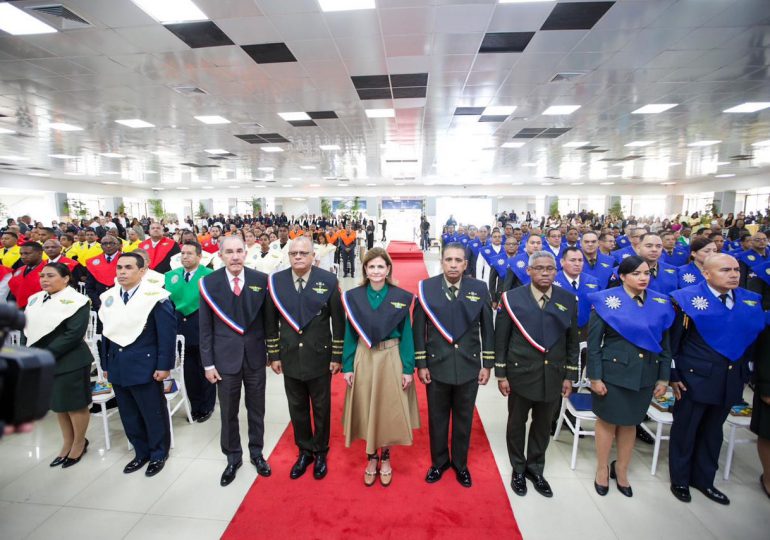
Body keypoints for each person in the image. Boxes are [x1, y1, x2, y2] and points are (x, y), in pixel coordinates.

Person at [668, 254, 766, 505]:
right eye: (725, 270)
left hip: (729, 377)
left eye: (735, 269)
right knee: (686, 429)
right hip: (694, 378)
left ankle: (704, 479)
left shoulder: (750, 300)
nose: (734, 274)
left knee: (713, 432)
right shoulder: (686, 300)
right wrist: (673, 375)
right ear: (706, 273)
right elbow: (672, 343)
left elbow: (753, 343)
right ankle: (680, 478)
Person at [587, 256, 675, 497]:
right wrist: (595, 377)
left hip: (646, 373)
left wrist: (663, 378)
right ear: (623, 277)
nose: (643, 277)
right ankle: (602, 468)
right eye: (637, 273)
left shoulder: (660, 302)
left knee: (630, 423)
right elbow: (594, 345)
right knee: (607, 421)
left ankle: (622, 469)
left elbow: (664, 345)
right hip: (613, 372)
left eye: (646, 273)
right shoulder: (606, 301)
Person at [495, 250, 578, 498]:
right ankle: (518, 468)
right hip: (521, 373)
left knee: (543, 426)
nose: (545, 272)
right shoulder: (511, 298)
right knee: (516, 423)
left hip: (553, 373)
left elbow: (572, 342)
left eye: (550, 268)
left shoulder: (568, 299)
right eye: (539, 268)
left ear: (556, 271)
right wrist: (502, 374)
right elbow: (502, 339)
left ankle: (535, 468)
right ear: (529, 271)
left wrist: (569, 375)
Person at [413, 243, 494, 487]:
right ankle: (439, 463)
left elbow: (488, 329)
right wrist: (421, 363)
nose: (453, 264)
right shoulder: (426, 288)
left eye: (458, 260)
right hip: (437, 365)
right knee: (437, 418)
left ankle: (460, 464)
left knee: (463, 418)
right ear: (441, 261)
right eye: (448, 259)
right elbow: (419, 329)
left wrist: (487, 363)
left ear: (466, 264)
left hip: (469, 365)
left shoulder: (479, 289)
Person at [266, 237, 345, 480]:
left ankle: (320, 451)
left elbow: (338, 321)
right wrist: (273, 354)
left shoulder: (328, 280)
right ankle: (305, 451)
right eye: (294, 253)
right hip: (289, 355)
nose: (298, 257)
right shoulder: (276, 281)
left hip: (319, 355)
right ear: (288, 256)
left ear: (313, 256)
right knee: (297, 407)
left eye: (303, 253)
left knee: (321, 407)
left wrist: (337, 355)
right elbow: (271, 321)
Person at [341, 247, 419, 487]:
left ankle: (385, 457)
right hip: (364, 357)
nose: (376, 271)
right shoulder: (354, 297)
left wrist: (408, 368)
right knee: (366, 407)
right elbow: (350, 333)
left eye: (380, 267)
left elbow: (407, 334)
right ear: (365, 269)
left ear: (388, 269)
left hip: (391, 356)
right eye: (371, 266)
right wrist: (347, 365)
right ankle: (371, 457)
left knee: (387, 410)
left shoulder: (400, 297)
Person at [199, 236, 273, 486]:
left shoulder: (261, 280)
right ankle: (233, 457)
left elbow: (268, 322)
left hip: (254, 357)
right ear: (220, 255)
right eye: (229, 252)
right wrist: (208, 364)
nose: (235, 256)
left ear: (246, 253)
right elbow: (205, 329)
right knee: (228, 412)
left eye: (239, 251)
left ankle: (256, 453)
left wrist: (271, 354)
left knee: (257, 409)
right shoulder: (208, 283)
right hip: (223, 361)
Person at [99, 252, 176, 477]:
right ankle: (140, 453)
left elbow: (166, 335)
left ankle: (158, 453)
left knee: (152, 412)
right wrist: (105, 363)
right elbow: (106, 333)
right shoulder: (109, 297)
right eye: (119, 268)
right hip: (118, 364)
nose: (122, 272)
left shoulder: (156, 297)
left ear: (142, 272)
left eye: (129, 268)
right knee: (129, 414)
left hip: (145, 364)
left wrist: (164, 365)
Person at [24, 263, 93, 468]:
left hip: (70, 360)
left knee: (75, 405)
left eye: (51, 276)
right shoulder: (35, 299)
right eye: (42, 275)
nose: (45, 279)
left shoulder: (77, 301)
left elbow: (73, 334)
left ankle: (79, 442)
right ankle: (67, 443)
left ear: (65, 278)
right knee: (59, 406)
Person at [164, 241, 215, 423]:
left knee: (205, 368)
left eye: (189, 253)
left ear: (199, 257)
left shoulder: (209, 275)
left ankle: (207, 406)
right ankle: (195, 404)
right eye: (183, 254)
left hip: (201, 325)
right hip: (180, 327)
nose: (185, 257)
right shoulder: (171, 276)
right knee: (188, 370)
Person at [8, 242, 45, 309]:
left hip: (37, 308)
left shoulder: (49, 270)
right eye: (21, 254)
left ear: (40, 253)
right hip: (17, 309)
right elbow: (13, 290)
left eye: (27, 253)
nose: (23, 257)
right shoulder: (19, 270)